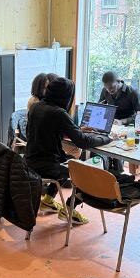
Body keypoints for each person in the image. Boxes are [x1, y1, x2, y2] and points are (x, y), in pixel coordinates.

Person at [25, 77, 112, 224]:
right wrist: (108, 139)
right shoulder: (59, 113)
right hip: (47, 166)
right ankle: (69, 209)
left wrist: (76, 129)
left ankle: (48, 200)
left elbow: (50, 128)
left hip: (30, 161)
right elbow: (83, 142)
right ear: (67, 95)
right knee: (83, 171)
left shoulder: (37, 106)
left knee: (69, 160)